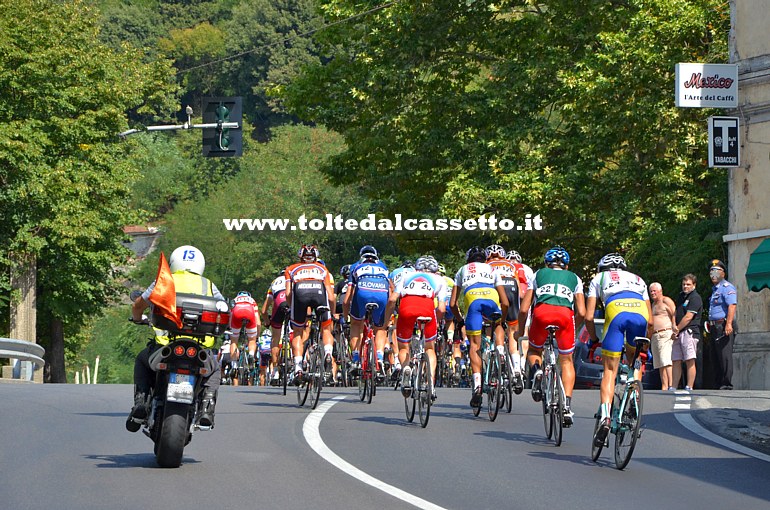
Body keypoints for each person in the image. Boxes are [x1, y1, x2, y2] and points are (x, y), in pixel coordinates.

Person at [128, 245, 226, 431]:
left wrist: (137, 318)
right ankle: (206, 406)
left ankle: (140, 402)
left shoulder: (164, 280)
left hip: (165, 346)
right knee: (214, 370)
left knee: (142, 360)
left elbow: (138, 305)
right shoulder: (208, 285)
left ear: (173, 262)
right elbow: (223, 308)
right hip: (199, 349)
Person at [585, 253, 651, 446]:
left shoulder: (599, 278)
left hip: (615, 312)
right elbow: (652, 321)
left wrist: (594, 339)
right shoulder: (638, 279)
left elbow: (589, 317)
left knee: (610, 371)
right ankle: (634, 398)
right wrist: (645, 347)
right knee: (634, 361)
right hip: (640, 314)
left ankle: (605, 416)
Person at [516, 246, 585, 427]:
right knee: (567, 360)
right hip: (565, 315)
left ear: (547, 263)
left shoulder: (538, 274)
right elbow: (583, 312)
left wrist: (519, 330)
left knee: (533, 350)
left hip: (541, 313)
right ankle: (567, 406)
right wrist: (572, 326)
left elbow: (524, 309)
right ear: (567, 266)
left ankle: (537, 370)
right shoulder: (575, 278)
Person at [450, 246, 509, 409]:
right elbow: (505, 302)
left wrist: (460, 319)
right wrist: (501, 321)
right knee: (497, 323)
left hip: (472, 299)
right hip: (491, 298)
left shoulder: (462, 270)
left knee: (475, 346)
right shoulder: (492, 269)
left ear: (468, 260)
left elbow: (452, 303)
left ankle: (477, 385)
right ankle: (500, 352)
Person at [384, 255, 447, 401]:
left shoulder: (407, 275)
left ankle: (406, 367)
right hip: (427, 308)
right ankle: (430, 383)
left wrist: (386, 320)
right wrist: (435, 321)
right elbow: (442, 308)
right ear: (436, 269)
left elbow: (393, 299)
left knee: (403, 346)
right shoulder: (440, 279)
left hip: (406, 307)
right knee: (429, 349)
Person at [285, 244, 335, 385]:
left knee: (298, 332)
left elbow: (289, 294)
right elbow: (331, 297)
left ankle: (298, 367)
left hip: (300, 292)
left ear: (300, 256)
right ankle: (328, 353)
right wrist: (331, 313)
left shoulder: (291, 268)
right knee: (326, 328)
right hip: (319, 291)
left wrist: (292, 307)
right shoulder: (322, 268)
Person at [344, 245, 392, 378]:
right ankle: (380, 359)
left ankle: (355, 359)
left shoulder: (355, 266)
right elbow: (391, 291)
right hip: (382, 295)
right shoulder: (383, 267)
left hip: (362, 295)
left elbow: (347, 298)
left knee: (355, 324)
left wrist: (346, 316)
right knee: (381, 329)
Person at [486, 244, 523, 391]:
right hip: (512, 287)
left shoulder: (486, 265)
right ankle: (517, 369)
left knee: (498, 323)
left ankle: (500, 351)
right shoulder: (511, 265)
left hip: (497, 288)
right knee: (513, 331)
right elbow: (520, 292)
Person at [707, 259, 737, 390]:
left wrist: (728, 324)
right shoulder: (715, 290)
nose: (713, 274)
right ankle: (718, 382)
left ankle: (726, 383)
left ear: (723, 273)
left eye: (716, 271)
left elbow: (732, 305)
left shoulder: (727, 288)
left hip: (722, 324)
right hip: (713, 326)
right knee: (715, 355)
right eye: (711, 271)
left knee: (725, 355)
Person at [673, 273, 703, 391]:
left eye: (688, 284)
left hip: (689, 332)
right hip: (678, 332)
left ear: (694, 285)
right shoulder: (681, 296)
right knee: (676, 359)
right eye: (684, 284)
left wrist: (677, 329)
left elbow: (688, 317)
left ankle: (689, 386)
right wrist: (674, 327)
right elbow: (676, 312)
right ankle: (674, 387)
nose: (685, 286)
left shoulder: (695, 298)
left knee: (689, 359)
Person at [261, 269, 289, 384]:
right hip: (291, 302)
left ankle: (275, 371)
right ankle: (298, 365)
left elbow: (263, 310)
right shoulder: (294, 278)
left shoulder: (274, 282)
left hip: (279, 304)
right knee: (297, 331)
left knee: (275, 338)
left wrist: (267, 322)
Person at [229, 290, 261, 386]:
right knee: (251, 340)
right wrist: (257, 336)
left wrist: (229, 328)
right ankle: (251, 355)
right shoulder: (252, 301)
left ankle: (234, 366)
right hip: (249, 313)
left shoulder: (235, 300)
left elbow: (230, 316)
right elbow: (257, 320)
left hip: (236, 313)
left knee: (234, 342)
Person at [649, 282, 677, 390]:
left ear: (660, 291)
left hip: (665, 333)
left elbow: (674, 312)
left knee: (666, 360)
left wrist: (674, 326)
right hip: (655, 335)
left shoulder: (666, 300)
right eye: (651, 291)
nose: (652, 293)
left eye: (654, 291)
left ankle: (671, 385)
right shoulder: (653, 304)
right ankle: (664, 385)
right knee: (659, 362)